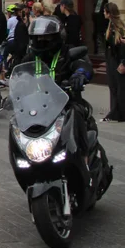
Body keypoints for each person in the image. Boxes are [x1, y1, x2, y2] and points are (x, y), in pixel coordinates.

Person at [21, 15, 95, 154]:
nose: (42, 41)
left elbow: (83, 65)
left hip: (67, 103)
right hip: (37, 107)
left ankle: (82, 157)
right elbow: (19, 74)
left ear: (58, 36)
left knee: (76, 115)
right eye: (38, 38)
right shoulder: (30, 57)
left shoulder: (67, 53)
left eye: (47, 38)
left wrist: (80, 74)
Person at [102, 2, 125, 123]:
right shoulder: (110, 26)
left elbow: (123, 46)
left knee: (120, 88)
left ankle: (122, 114)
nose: (103, 13)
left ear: (109, 13)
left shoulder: (118, 27)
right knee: (113, 87)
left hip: (117, 61)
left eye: (105, 11)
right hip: (111, 60)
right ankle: (114, 111)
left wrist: (124, 62)